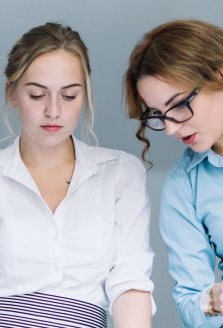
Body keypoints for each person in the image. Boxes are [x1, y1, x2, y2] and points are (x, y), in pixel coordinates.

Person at [0, 22, 154, 328]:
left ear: (85, 95)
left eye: (68, 96)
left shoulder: (121, 173)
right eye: (37, 95)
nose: (53, 111)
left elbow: (131, 285)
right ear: (12, 93)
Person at [124, 18, 223, 328]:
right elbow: (190, 302)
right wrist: (214, 301)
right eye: (157, 115)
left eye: (179, 105)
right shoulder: (185, 185)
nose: (169, 128)